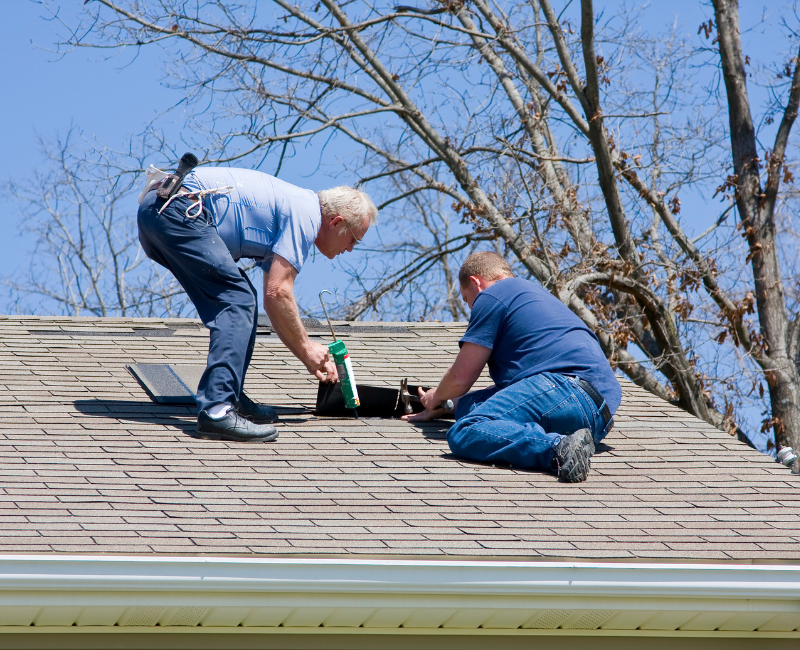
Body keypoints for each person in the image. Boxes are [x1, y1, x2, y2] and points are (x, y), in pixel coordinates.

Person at [137, 165, 377, 442]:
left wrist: (306, 354)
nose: (349, 248)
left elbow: (272, 301)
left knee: (242, 300)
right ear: (335, 223)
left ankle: (231, 397)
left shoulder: (292, 207)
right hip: (179, 210)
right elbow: (279, 293)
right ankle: (217, 410)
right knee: (237, 300)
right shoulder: (306, 215)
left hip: (157, 211)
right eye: (354, 240)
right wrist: (307, 348)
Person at [405, 251, 620, 482]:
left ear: (476, 283)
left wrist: (436, 396)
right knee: (474, 410)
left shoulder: (492, 295)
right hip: (597, 417)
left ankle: (558, 448)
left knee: (466, 430)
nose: (471, 308)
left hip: (565, 388)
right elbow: (512, 395)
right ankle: (570, 443)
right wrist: (448, 406)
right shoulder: (533, 297)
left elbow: (461, 378)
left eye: (467, 300)